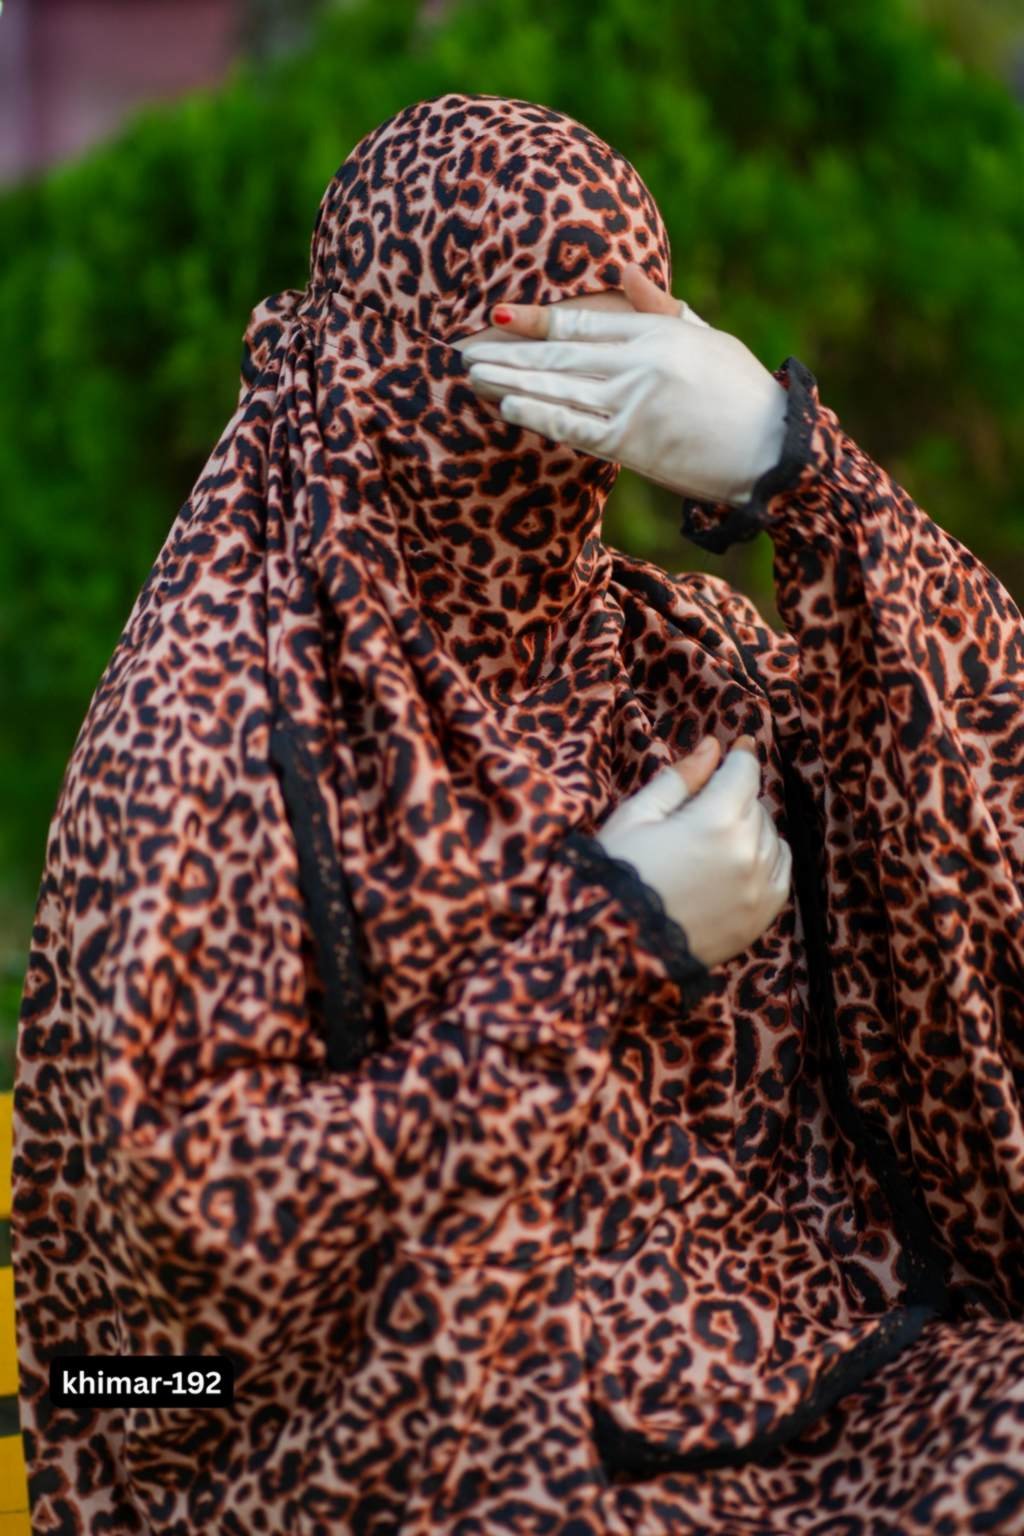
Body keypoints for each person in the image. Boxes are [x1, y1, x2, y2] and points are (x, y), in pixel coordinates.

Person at [12, 89, 1024, 1535]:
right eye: (537, 349)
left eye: (626, 356)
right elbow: (176, 1271)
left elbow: (974, 817)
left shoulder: (672, 654)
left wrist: (800, 471)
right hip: (329, 1435)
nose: (574, 422)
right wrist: (606, 942)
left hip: (758, 1363)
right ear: (385, 364)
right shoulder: (219, 714)